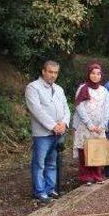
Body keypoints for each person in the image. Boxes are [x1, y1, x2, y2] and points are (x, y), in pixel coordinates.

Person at [25, 60, 71, 203]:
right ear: (43, 71)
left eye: (55, 72)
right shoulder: (33, 87)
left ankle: (50, 189)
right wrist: (53, 126)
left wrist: (64, 123)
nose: (53, 75)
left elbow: (66, 108)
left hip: (58, 133)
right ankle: (39, 191)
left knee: (52, 162)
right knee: (39, 163)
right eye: (50, 72)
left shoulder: (59, 89)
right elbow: (36, 110)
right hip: (42, 134)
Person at [72, 63, 109, 186]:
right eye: (93, 73)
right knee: (85, 151)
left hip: (99, 127)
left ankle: (97, 175)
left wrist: (103, 124)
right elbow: (80, 107)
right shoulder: (83, 88)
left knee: (97, 149)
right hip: (85, 126)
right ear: (89, 74)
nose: (95, 76)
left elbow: (107, 107)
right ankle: (86, 176)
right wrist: (89, 124)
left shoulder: (104, 91)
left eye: (98, 74)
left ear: (101, 76)